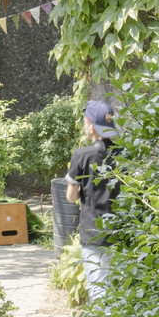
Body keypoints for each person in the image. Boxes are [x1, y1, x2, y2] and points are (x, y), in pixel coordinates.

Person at [66, 100, 119, 301]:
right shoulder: (126, 154)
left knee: (99, 291)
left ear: (91, 126)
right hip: (121, 232)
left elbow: (71, 197)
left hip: (93, 232)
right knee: (119, 291)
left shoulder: (82, 155)